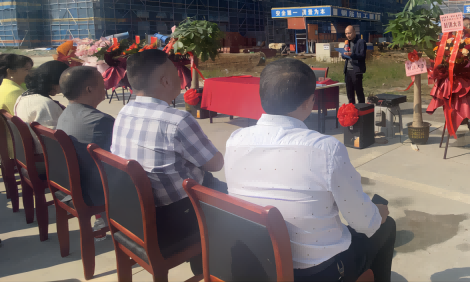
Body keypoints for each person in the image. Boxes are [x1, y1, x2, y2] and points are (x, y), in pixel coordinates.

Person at [226, 59, 395, 282]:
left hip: (255, 267)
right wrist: (378, 213)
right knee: (386, 226)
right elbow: (364, 222)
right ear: (309, 102)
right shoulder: (326, 150)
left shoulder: (235, 141)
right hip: (318, 273)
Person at [111, 49, 225, 276]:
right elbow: (215, 163)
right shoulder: (176, 120)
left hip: (133, 214)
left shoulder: (124, 112)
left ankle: (203, 262)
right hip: (175, 217)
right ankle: (211, 269)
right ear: (165, 80)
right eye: (176, 73)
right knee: (237, 206)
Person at [57, 67, 114, 209]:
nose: (105, 88)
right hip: (94, 191)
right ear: (89, 89)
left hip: (70, 185)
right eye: (102, 83)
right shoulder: (100, 121)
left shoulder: (66, 113)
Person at [15, 60, 69, 153]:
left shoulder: (23, 97)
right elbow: (54, 142)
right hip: (47, 156)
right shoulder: (45, 104)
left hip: (32, 153)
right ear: (54, 81)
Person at [0, 54, 33, 158]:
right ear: (10, 72)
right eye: (26, 69)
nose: (30, 73)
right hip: (19, 149)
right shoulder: (14, 92)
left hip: (9, 146)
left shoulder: (4, 87)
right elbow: (27, 122)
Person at [342, 25, 366, 104]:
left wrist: (351, 55)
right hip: (348, 71)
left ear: (354, 32)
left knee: (359, 91)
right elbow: (343, 56)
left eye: (349, 33)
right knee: (349, 92)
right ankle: (351, 108)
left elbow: (362, 55)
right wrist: (344, 53)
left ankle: (362, 108)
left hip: (356, 71)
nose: (347, 35)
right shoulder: (347, 43)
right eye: (346, 34)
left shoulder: (361, 42)